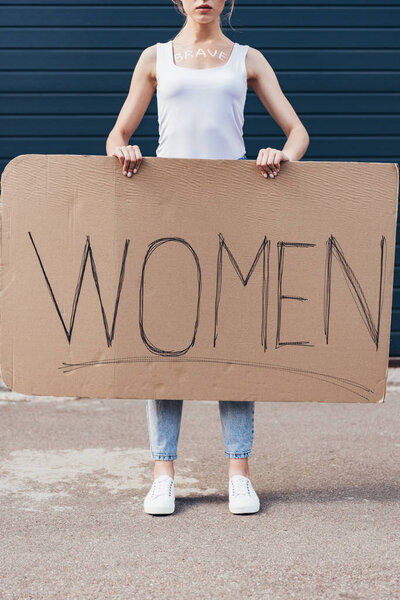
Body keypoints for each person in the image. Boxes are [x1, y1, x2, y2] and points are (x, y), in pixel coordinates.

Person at [105, 0, 309, 516]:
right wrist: (124, 152)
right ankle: (163, 475)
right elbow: (117, 134)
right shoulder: (155, 58)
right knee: (166, 344)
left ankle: (239, 474)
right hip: (169, 214)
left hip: (232, 215)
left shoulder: (248, 59)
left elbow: (298, 133)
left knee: (231, 345)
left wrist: (280, 155)